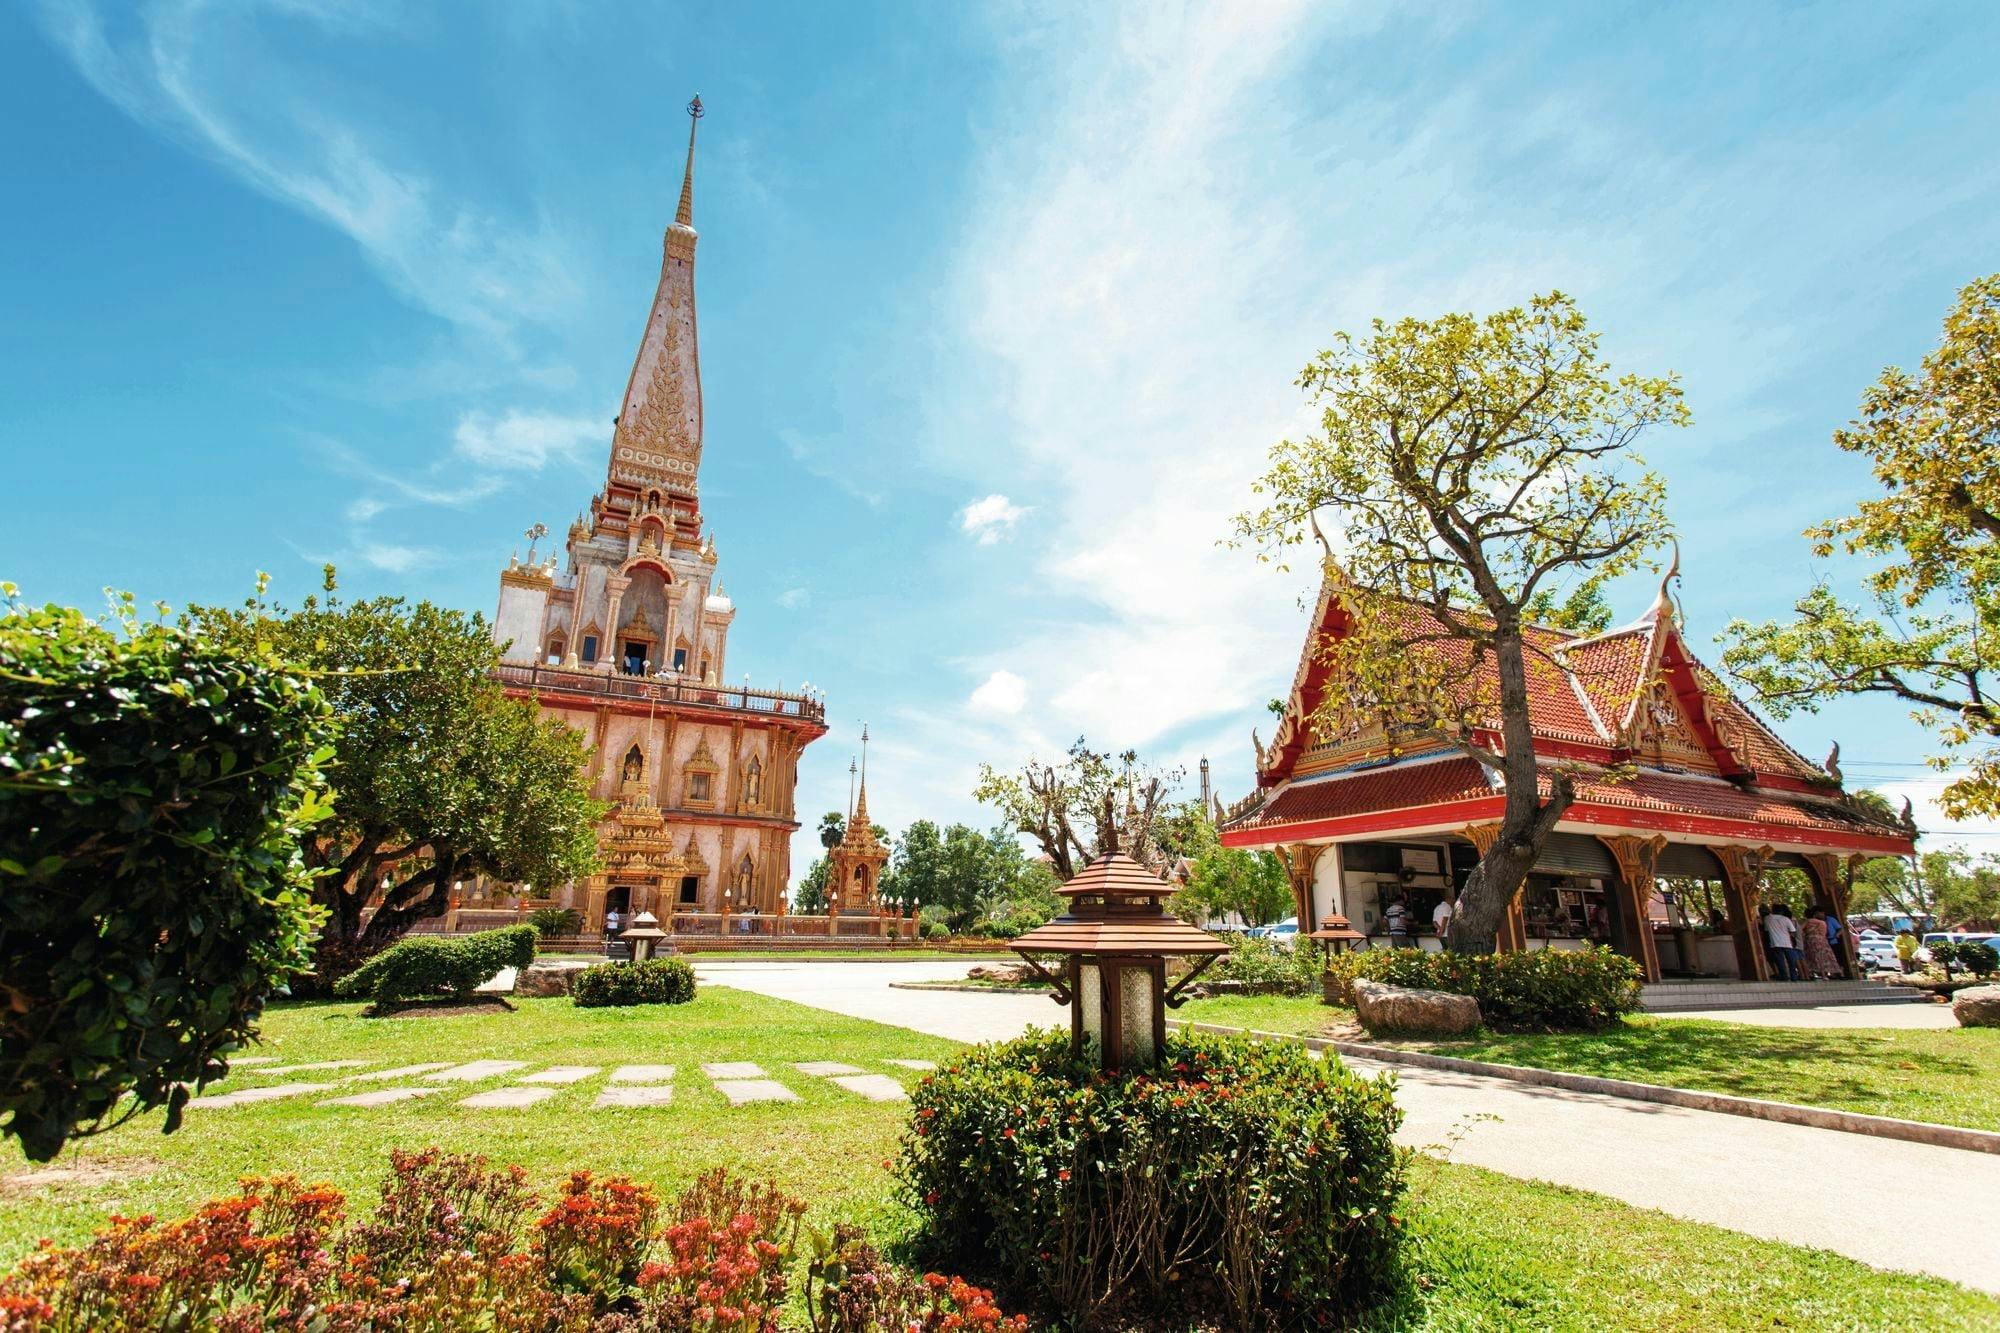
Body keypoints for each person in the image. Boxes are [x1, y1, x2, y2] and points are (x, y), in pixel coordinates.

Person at [1766, 904, 1802, 981]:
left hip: (1775, 942)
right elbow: (1792, 930)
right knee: (1791, 961)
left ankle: (1784, 976)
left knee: (1780, 961)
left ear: (1772, 910)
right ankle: (1794, 977)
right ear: (1781, 911)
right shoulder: (1786, 919)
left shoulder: (1768, 918)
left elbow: (1766, 929)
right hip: (1787, 943)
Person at [1803, 908, 1841, 981]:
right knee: (1823, 957)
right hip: (1822, 941)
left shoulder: (1807, 921)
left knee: (1812, 957)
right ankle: (1825, 975)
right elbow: (1824, 933)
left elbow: (1801, 930)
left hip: (1810, 940)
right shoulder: (1822, 923)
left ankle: (1811, 974)